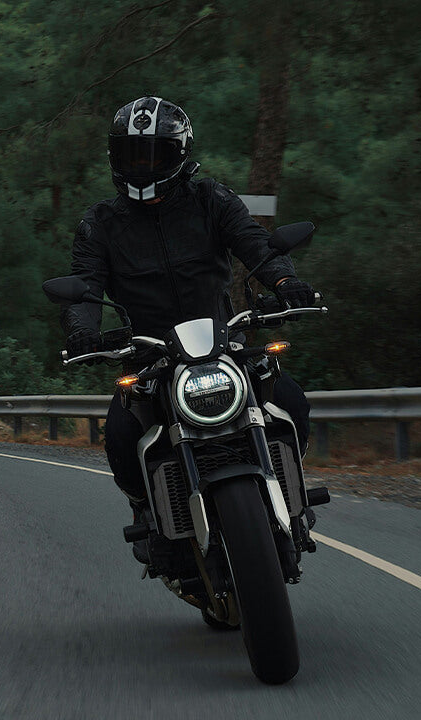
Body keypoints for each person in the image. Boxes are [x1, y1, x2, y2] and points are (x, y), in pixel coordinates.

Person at [60, 96, 322, 564]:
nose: (142, 166)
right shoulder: (99, 224)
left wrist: (286, 282)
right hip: (150, 356)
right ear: (115, 158)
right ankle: (149, 516)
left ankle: (291, 497)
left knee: (291, 401)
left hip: (223, 343)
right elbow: (84, 288)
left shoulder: (212, 199)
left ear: (179, 154)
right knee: (121, 434)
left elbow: (256, 245)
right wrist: (83, 331)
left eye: (154, 154)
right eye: (131, 155)